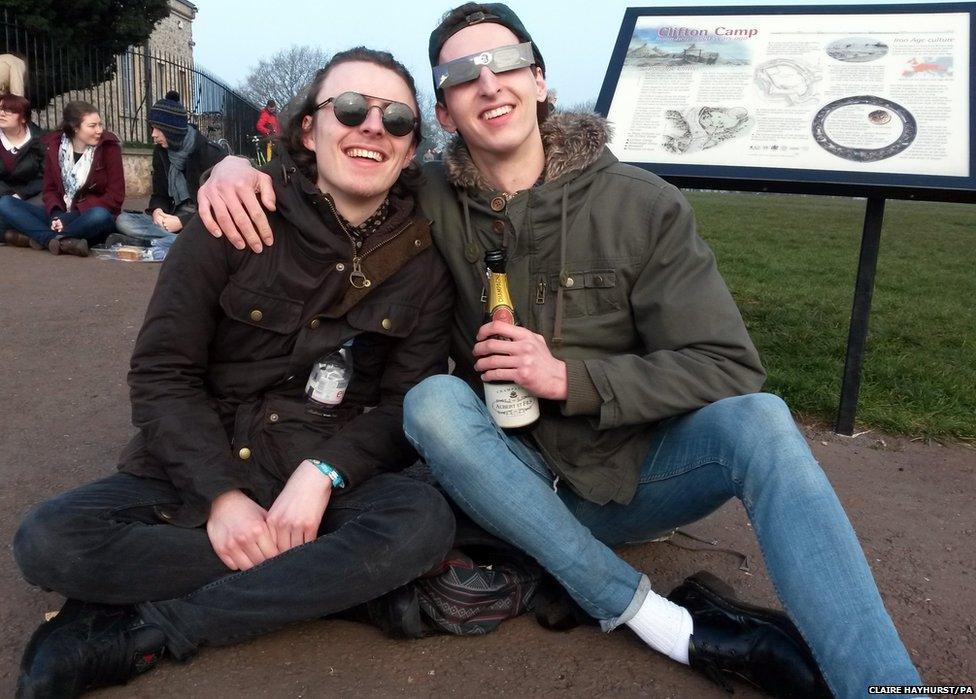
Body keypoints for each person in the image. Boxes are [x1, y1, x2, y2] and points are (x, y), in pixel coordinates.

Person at [194, 4, 924, 697]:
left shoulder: (642, 205)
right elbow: (343, 164)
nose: (489, 82)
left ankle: (885, 685)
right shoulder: (428, 198)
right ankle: (637, 609)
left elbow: (727, 364)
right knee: (434, 402)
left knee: (761, 419)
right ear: (444, 114)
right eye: (460, 76)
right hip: (500, 481)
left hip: (626, 481)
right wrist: (227, 169)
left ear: (538, 81)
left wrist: (570, 378)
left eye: (507, 62)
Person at [13, 48, 457, 697]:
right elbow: (164, 372)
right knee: (48, 542)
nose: (373, 127)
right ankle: (332, 587)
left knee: (421, 522)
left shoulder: (423, 262)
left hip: (325, 483)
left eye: (396, 118)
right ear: (310, 127)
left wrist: (322, 472)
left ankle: (152, 626)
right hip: (200, 467)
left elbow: (401, 406)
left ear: (411, 144)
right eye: (353, 108)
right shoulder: (233, 214)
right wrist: (222, 497)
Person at [0, 100, 123, 257]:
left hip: (87, 215)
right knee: (6, 203)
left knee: (100, 215)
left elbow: (115, 197)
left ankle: (39, 237)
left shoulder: (109, 148)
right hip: (59, 213)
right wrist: (57, 214)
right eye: (92, 126)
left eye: (100, 125)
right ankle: (59, 241)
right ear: (75, 128)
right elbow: (50, 189)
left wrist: (70, 217)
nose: (99, 130)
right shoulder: (54, 146)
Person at [113, 92, 227, 252]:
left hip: (200, 218)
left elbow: (221, 206)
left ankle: (161, 243)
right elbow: (159, 195)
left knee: (217, 229)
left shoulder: (211, 154)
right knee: (123, 220)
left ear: (172, 130)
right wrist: (157, 211)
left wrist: (182, 222)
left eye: (158, 129)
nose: (153, 135)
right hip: (170, 218)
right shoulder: (161, 153)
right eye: (152, 128)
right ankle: (179, 244)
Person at [0, 93, 46, 247]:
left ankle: (13, 235)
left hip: (33, 195)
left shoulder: (40, 141)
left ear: (24, 118)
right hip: (2, 195)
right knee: (5, 206)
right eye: (0, 109)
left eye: (9, 110)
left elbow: (47, 177)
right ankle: (20, 236)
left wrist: (20, 194)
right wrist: (9, 194)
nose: (2, 113)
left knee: (42, 207)